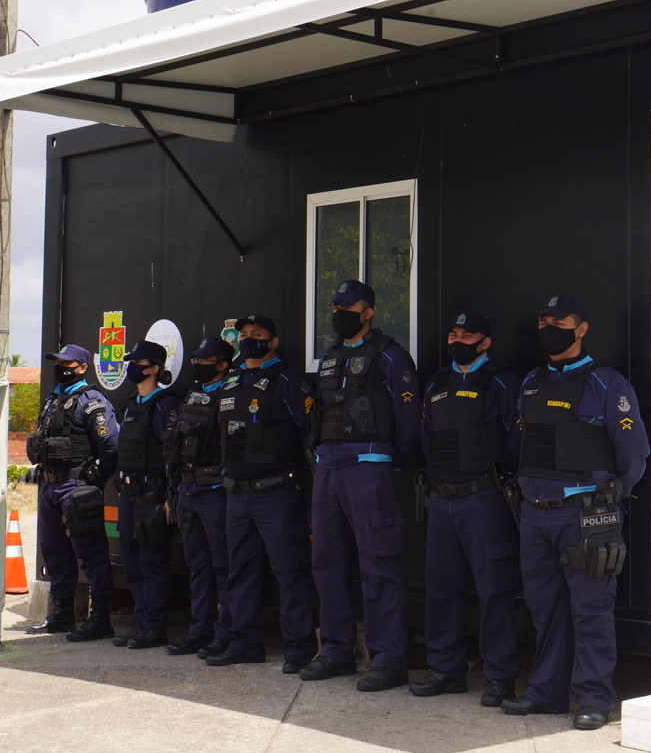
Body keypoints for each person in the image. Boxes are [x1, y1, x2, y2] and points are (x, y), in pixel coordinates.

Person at [503, 295, 649, 730]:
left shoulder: (606, 383)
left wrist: (613, 496)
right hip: (535, 514)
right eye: (543, 319)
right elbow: (519, 445)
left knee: (590, 609)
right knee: (544, 608)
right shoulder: (530, 381)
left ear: (581, 329)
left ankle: (594, 698)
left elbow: (634, 453)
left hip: (587, 513)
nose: (549, 326)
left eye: (559, 320)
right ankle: (546, 694)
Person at [301, 279, 421, 691]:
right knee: (326, 561)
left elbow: (408, 422)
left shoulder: (391, 356)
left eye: (347, 306)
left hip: (369, 464)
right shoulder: (330, 357)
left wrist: (391, 461)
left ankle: (388, 660)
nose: (338, 312)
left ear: (367, 311)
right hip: (328, 467)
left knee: (378, 563)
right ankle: (335, 651)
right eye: (334, 305)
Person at [409, 310, 522, 705]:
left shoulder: (502, 382)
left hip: (484, 498)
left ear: (485, 342)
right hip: (442, 500)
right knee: (441, 588)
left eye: (468, 334)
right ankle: (446, 669)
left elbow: (515, 441)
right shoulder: (436, 382)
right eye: (453, 333)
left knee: (494, 589)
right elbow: (427, 438)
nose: (458, 340)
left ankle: (499, 677)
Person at [211, 316, 319, 670]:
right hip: (236, 496)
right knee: (240, 571)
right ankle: (244, 643)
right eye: (243, 335)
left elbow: (310, 433)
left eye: (256, 335)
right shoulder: (231, 380)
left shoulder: (289, 380)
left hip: (278, 493)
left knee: (290, 572)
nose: (248, 340)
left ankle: (299, 648)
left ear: (273, 342)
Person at [25, 343, 119, 642]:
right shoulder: (54, 400)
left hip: (76, 488)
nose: (60, 366)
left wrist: (94, 481)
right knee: (55, 553)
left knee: (90, 553)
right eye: (57, 361)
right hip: (49, 486)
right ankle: (62, 614)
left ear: (82, 367)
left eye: (67, 362)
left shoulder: (92, 401)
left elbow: (111, 447)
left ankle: (100, 618)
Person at [162, 336, 235, 658]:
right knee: (198, 567)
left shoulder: (231, 393)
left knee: (225, 568)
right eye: (196, 360)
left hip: (216, 493)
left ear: (222, 364)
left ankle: (226, 634)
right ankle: (199, 631)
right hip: (188, 490)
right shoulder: (192, 394)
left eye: (206, 361)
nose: (199, 366)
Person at [110, 340, 179, 651]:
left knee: (153, 563)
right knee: (134, 563)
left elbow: (172, 455)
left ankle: (154, 627)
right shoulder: (132, 404)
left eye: (137, 362)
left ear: (153, 368)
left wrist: (169, 498)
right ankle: (141, 622)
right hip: (128, 495)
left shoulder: (165, 405)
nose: (131, 367)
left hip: (152, 496)